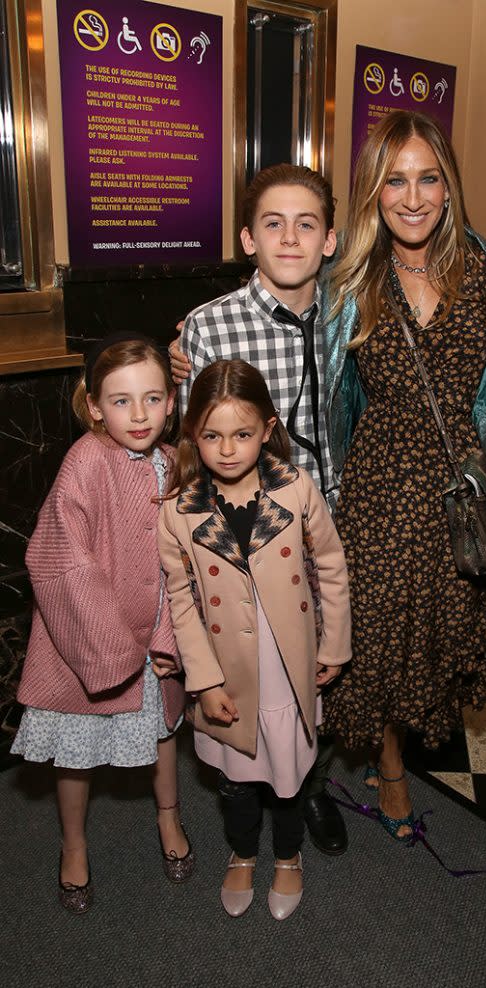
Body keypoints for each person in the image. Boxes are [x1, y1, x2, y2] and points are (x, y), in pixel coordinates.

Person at [320, 110, 486, 838]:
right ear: (373, 191)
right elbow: (276, 313)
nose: (412, 196)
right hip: (378, 483)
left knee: (436, 633)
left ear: (449, 185)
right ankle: (395, 764)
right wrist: (193, 343)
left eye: (428, 177)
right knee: (379, 632)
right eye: (394, 180)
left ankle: (403, 738)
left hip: (462, 486)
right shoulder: (350, 279)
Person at [168, 165, 349, 856]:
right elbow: (194, 445)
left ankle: (308, 783)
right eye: (272, 224)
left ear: (330, 239)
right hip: (247, 544)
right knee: (252, 671)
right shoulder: (212, 327)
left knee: (320, 670)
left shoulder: (350, 314)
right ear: (248, 238)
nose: (291, 238)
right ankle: (251, 791)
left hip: (334, 521)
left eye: (307, 224)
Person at [158, 359, 351, 920]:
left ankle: (287, 856)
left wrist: (334, 646)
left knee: (289, 777)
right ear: (193, 432)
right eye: (212, 435)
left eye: (242, 434)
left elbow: (333, 567)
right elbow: (182, 599)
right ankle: (243, 851)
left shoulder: (295, 488)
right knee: (237, 783)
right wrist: (204, 679)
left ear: (267, 429)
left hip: (288, 665)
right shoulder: (178, 511)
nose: (226, 449)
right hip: (229, 672)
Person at [12, 334, 192, 913]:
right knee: (77, 751)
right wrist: (116, 646)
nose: (139, 415)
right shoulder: (84, 463)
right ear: (93, 405)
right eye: (120, 401)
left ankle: (169, 817)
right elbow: (60, 560)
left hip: (155, 638)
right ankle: (73, 844)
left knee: (164, 733)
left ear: (171, 401)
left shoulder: (174, 463)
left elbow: (182, 560)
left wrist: (166, 636)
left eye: (153, 398)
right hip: (87, 644)